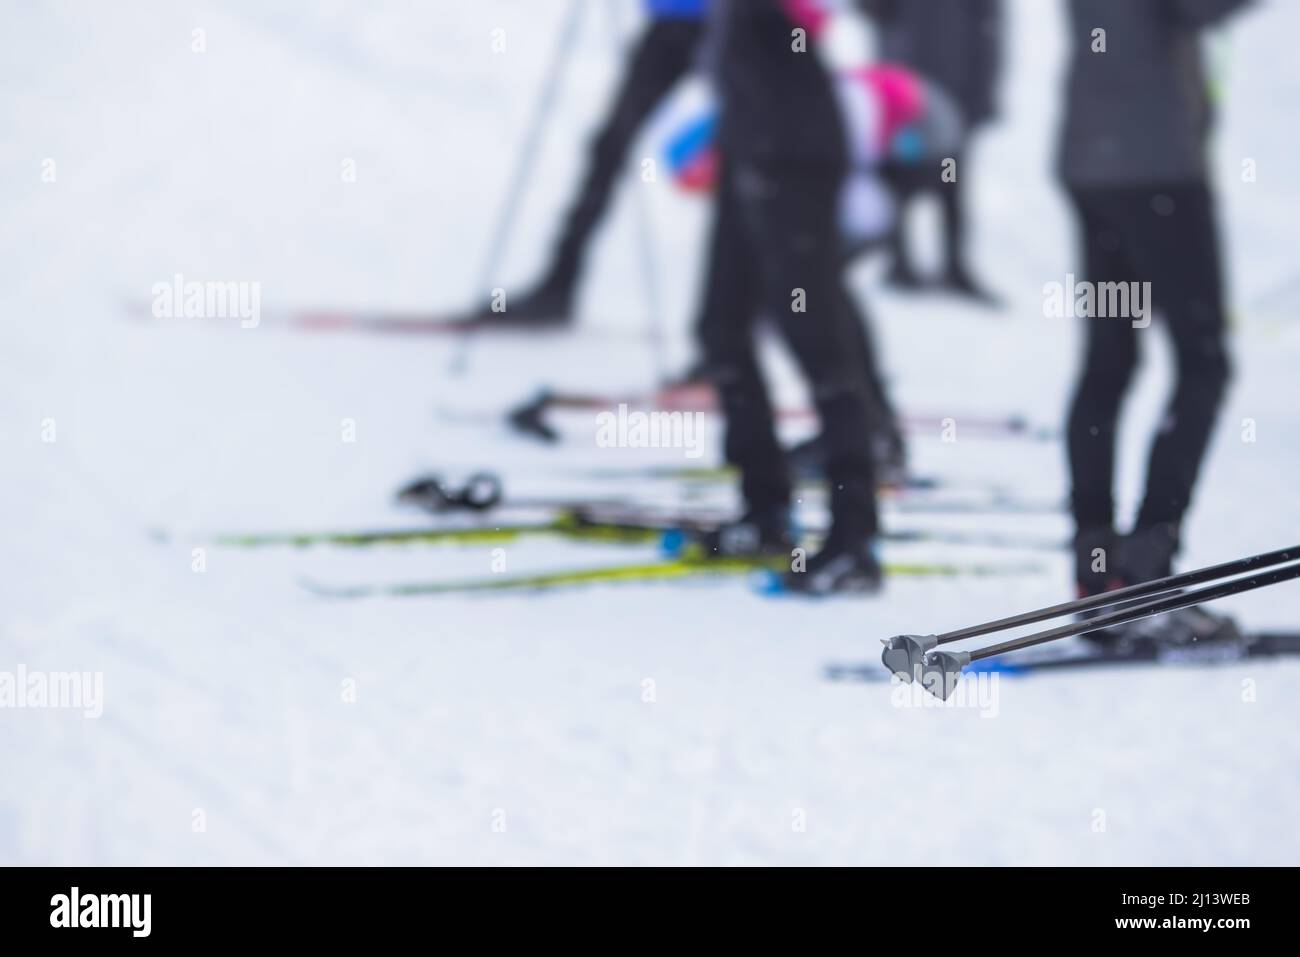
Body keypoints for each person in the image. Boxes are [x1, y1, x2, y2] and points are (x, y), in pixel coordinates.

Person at [1061, 0, 1252, 641]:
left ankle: (1097, 572)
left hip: (1094, 165)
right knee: (1203, 362)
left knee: (1110, 362)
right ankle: (1147, 568)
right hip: (1157, 170)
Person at [694, 0, 883, 594]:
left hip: (794, 150)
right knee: (720, 327)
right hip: (748, 141)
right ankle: (767, 509)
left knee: (816, 343)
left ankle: (855, 537)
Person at [474, 1, 707, 325]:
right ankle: (557, 287)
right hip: (677, 22)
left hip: (731, 23)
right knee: (609, 147)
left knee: (750, 157)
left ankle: (757, 299)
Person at [859, 0, 1003, 304]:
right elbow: (872, 10)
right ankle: (900, 261)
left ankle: (952, 264)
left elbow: (990, 27)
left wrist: (985, 92)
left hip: (956, 84)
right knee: (900, 172)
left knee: (952, 178)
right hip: (905, 87)